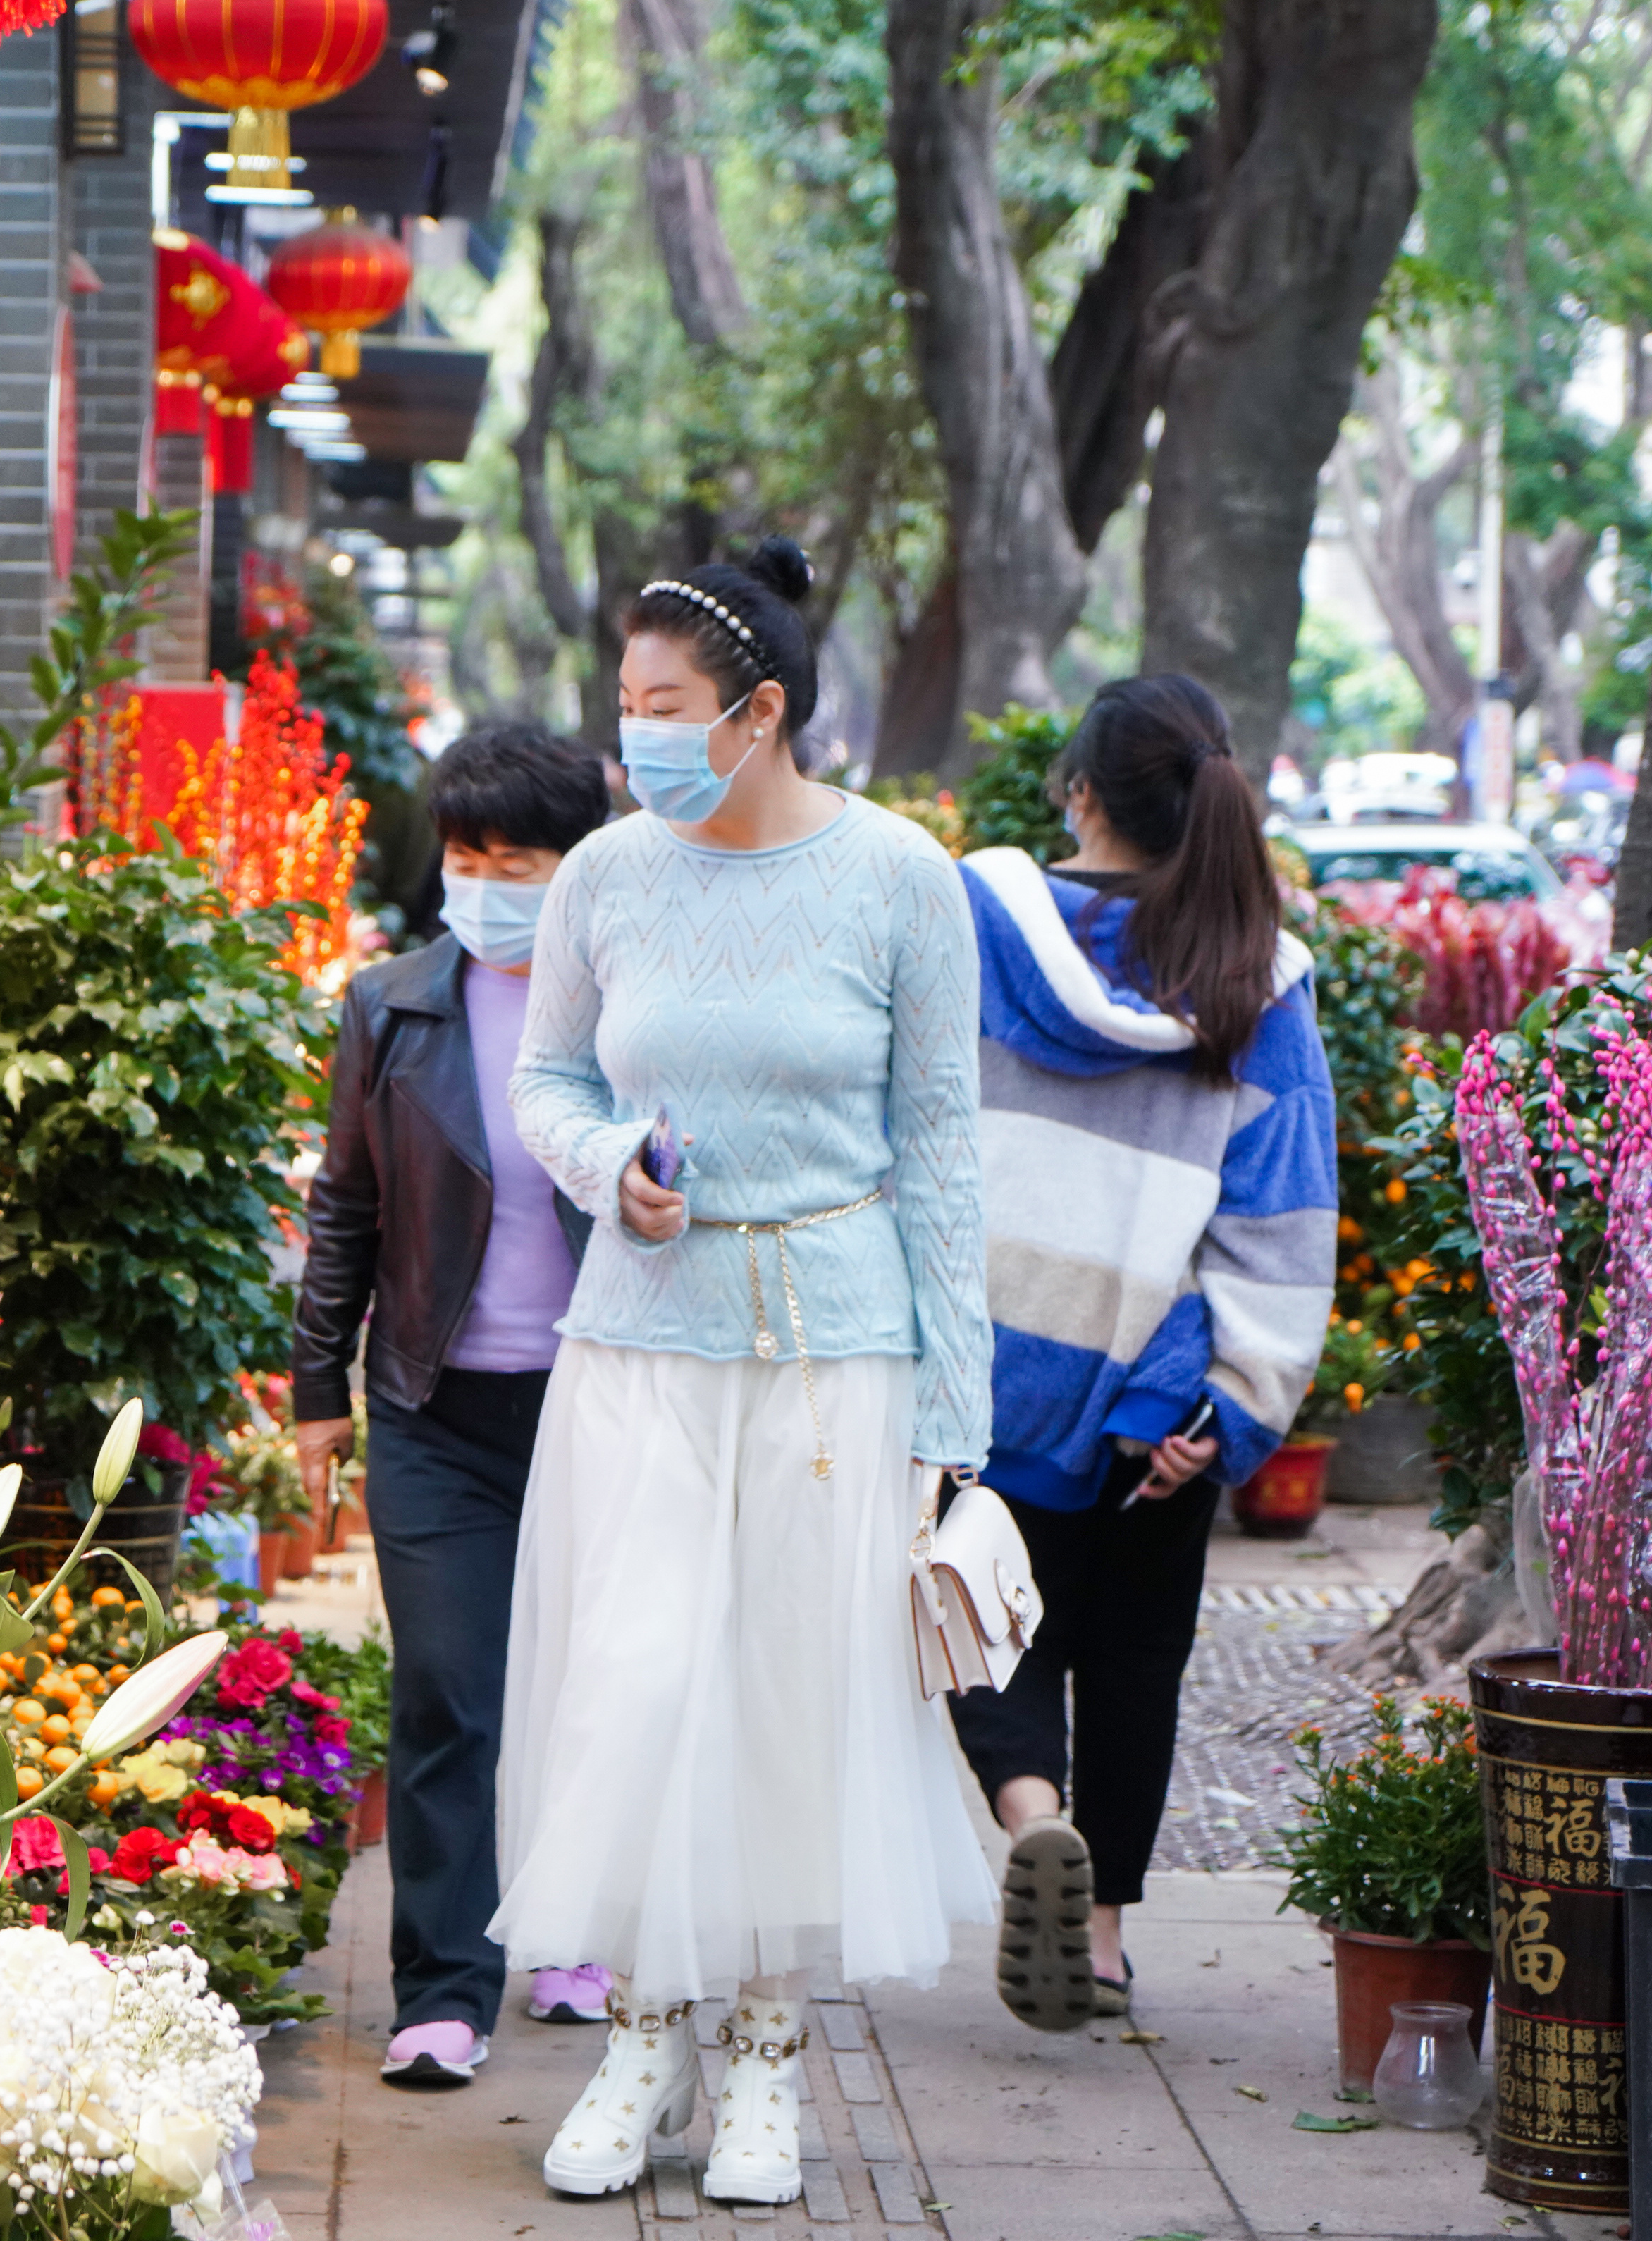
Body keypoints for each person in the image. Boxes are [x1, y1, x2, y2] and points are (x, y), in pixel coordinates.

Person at [495, 543, 998, 2206]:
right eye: (623, 703)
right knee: (635, 1687)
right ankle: (645, 2034)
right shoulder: (602, 877)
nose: (631, 734)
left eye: (662, 707)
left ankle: (769, 2054)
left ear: (761, 711)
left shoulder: (902, 879)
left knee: (791, 1697)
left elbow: (942, 1153)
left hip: (834, 1357)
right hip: (639, 1341)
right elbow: (548, 1077)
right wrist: (602, 1162)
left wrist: (953, 1413)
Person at [949, 675, 1336, 2030]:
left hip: (985, 1361)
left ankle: (1030, 1812)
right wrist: (1232, 1408)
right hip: (1153, 1398)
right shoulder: (1255, 974)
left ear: (1082, 795)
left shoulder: (977, 922)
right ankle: (1102, 1934)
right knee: (1132, 1657)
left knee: (980, 1614)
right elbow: (1280, 1213)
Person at [294, 723, 616, 2091]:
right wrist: (316, 1389)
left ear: (578, 865)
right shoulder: (393, 1006)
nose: (486, 880)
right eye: (466, 854)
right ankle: (438, 1986)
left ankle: (571, 1932)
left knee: (592, 1686)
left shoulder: (629, 1006)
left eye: (518, 858)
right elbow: (345, 1203)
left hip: (601, 1400)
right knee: (447, 1688)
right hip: (430, 1405)